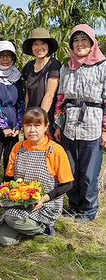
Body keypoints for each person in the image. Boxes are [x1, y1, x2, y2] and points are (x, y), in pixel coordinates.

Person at [0, 107, 74, 246]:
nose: (32, 130)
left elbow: (67, 184)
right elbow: (8, 178)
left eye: (37, 125)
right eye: (28, 125)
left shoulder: (54, 150)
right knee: (3, 239)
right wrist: (4, 197)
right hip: (20, 203)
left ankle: (43, 229)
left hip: (45, 205)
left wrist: (44, 198)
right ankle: (26, 229)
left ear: (46, 127)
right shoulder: (17, 147)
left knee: (12, 220)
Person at [54, 24, 106, 224]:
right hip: (69, 123)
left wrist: (104, 130)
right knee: (71, 170)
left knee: (88, 173)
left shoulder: (102, 66)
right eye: (75, 40)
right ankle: (73, 206)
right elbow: (60, 98)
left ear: (92, 43)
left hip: (92, 122)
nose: (80, 44)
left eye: (84, 39)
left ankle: (88, 210)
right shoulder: (66, 67)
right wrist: (58, 125)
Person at [0, 41, 25, 187]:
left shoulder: (16, 77)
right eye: (2, 56)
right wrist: (3, 126)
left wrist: (18, 125)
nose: (6, 59)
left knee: (11, 160)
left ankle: (8, 191)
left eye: (9, 56)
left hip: (13, 127)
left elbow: (20, 102)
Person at [22, 28, 61, 136]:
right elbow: (27, 94)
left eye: (43, 43)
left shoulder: (54, 65)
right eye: (35, 44)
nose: (39, 48)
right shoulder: (28, 67)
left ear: (48, 46)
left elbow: (49, 95)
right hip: (31, 118)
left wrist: (41, 120)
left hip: (46, 117)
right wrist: (26, 116)